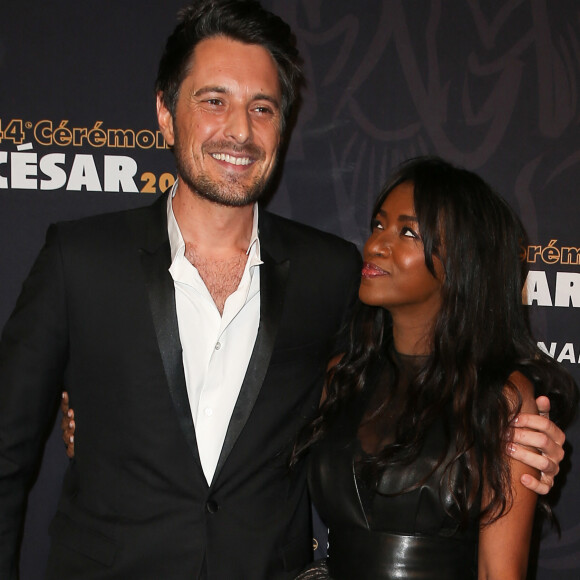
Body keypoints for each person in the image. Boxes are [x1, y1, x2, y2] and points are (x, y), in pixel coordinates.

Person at [0, 1, 567, 578]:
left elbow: (422, 381)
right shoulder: (81, 260)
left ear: (283, 126)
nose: (240, 130)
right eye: (214, 101)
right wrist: (88, 415)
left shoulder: (331, 273)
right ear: (167, 115)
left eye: (262, 108)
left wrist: (524, 442)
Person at [292, 157, 577, 580]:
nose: (374, 245)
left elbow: (500, 571)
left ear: (461, 263)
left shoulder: (502, 398)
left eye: (407, 232)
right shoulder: (343, 376)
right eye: (377, 224)